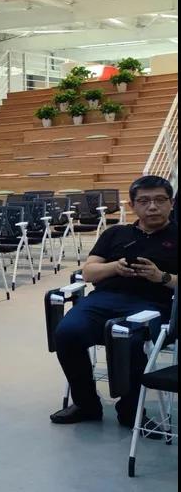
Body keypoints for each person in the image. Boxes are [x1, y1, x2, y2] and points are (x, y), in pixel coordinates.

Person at [50, 176, 177, 427]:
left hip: (152, 306)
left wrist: (161, 277)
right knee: (66, 333)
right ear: (132, 206)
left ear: (171, 203)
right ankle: (86, 405)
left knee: (130, 340)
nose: (153, 207)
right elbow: (88, 272)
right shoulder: (115, 233)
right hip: (102, 301)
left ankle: (131, 412)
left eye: (160, 200)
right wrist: (114, 267)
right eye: (144, 201)